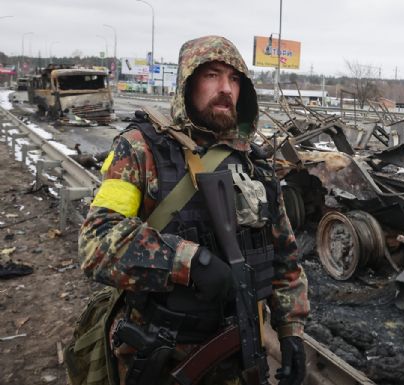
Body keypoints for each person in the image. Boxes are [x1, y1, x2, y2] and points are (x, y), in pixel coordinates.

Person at [77, 35, 309, 385]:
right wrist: (188, 261)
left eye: (234, 79)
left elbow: (284, 257)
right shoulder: (141, 149)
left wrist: (291, 330)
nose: (225, 89)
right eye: (212, 75)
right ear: (187, 81)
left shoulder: (254, 166)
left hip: (238, 354)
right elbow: (97, 242)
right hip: (163, 354)